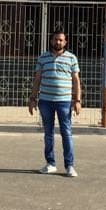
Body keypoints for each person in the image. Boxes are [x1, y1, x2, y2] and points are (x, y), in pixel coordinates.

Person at [28, 30, 82, 177]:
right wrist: (32, 99)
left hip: (64, 102)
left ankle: (69, 166)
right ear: (51, 41)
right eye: (55, 40)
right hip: (45, 101)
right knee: (48, 134)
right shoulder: (42, 58)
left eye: (61, 40)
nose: (58, 42)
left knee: (66, 133)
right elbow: (37, 79)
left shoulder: (71, 58)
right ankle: (50, 163)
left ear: (65, 42)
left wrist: (77, 100)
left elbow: (76, 80)